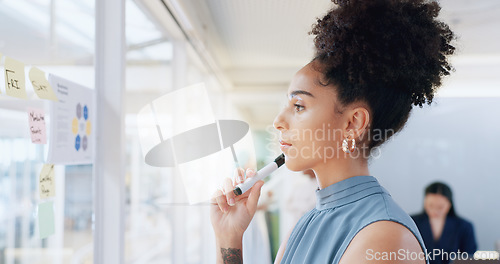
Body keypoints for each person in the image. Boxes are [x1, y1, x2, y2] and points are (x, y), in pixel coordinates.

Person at [210, 0, 456, 263]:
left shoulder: (384, 237)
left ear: (353, 124)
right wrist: (229, 238)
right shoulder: (303, 226)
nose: (279, 121)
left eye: (299, 105)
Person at [411, 182, 477, 264]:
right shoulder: (411, 223)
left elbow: (469, 258)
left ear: (449, 205)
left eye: (440, 207)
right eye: (430, 205)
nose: (435, 210)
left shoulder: (465, 227)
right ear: (424, 202)